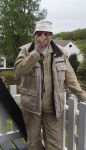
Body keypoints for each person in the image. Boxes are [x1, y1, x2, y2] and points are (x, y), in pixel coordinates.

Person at [14, 20, 86, 150]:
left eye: (46, 34)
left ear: (51, 35)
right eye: (39, 33)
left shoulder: (60, 52)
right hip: (31, 108)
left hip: (53, 108)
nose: (43, 37)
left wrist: (82, 96)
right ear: (34, 35)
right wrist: (35, 53)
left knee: (54, 145)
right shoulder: (25, 50)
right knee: (33, 144)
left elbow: (70, 78)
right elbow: (18, 72)